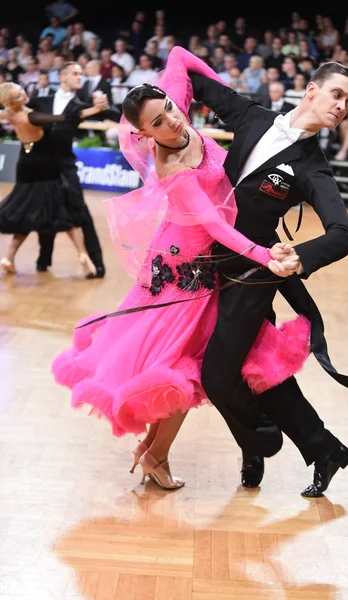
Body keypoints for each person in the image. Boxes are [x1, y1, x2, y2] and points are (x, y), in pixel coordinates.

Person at [51, 47, 312, 491]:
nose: (172, 121)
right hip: (183, 271)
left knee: (185, 366)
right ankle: (155, 454)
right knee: (182, 369)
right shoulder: (172, 164)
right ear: (144, 134)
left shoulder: (173, 108)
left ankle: (153, 453)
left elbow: (177, 56)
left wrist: (224, 91)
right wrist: (265, 254)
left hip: (198, 263)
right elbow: (214, 225)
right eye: (157, 123)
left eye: (170, 109)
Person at [179, 46, 348, 497]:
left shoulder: (312, 167)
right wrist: (161, 124)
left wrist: (300, 255)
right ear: (312, 90)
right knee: (258, 368)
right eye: (337, 94)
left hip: (254, 275)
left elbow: (343, 233)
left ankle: (258, 441)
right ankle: (324, 449)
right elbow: (190, 75)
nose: (341, 106)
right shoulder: (253, 117)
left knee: (219, 376)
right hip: (207, 262)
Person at [0, 82, 106, 275]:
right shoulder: (31, 116)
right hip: (44, 167)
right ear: (11, 101)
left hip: (25, 164)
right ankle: (83, 254)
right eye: (17, 96)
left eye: (21, 91)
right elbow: (65, 117)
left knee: (26, 213)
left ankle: (8, 257)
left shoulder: (8, 113)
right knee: (62, 211)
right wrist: (95, 109)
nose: (24, 95)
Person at [28, 61, 118, 277]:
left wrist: (105, 106)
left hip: (66, 167)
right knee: (46, 211)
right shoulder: (41, 101)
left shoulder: (80, 106)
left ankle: (97, 263)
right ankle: (44, 259)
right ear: (62, 76)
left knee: (81, 212)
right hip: (42, 167)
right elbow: (18, 111)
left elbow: (114, 115)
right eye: (75, 73)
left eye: (81, 73)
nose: (80, 77)